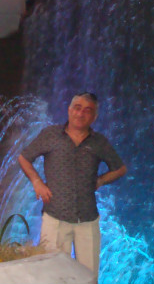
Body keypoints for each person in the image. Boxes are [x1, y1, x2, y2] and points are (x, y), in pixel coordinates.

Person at [18, 92, 127, 282]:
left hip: (87, 220)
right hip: (55, 217)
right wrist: (37, 182)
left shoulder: (99, 142)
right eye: (77, 108)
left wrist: (100, 181)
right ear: (69, 110)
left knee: (89, 277)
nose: (81, 113)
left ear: (94, 117)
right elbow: (24, 158)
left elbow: (120, 169)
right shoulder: (51, 135)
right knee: (53, 277)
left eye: (88, 110)